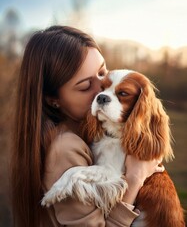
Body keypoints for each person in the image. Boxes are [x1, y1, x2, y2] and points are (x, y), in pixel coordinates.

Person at [10, 25, 164, 227]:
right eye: (84, 86)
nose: (102, 90)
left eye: (103, 73)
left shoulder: (92, 132)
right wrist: (135, 179)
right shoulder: (65, 149)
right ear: (53, 99)